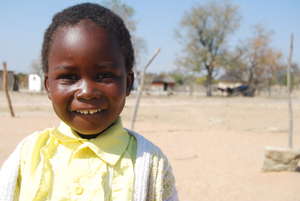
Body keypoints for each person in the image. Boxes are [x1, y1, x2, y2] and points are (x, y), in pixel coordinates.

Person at [0, 3, 178, 201]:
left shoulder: (150, 163)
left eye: (104, 76)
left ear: (128, 83)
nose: (87, 92)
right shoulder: (28, 156)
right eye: (68, 77)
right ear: (48, 85)